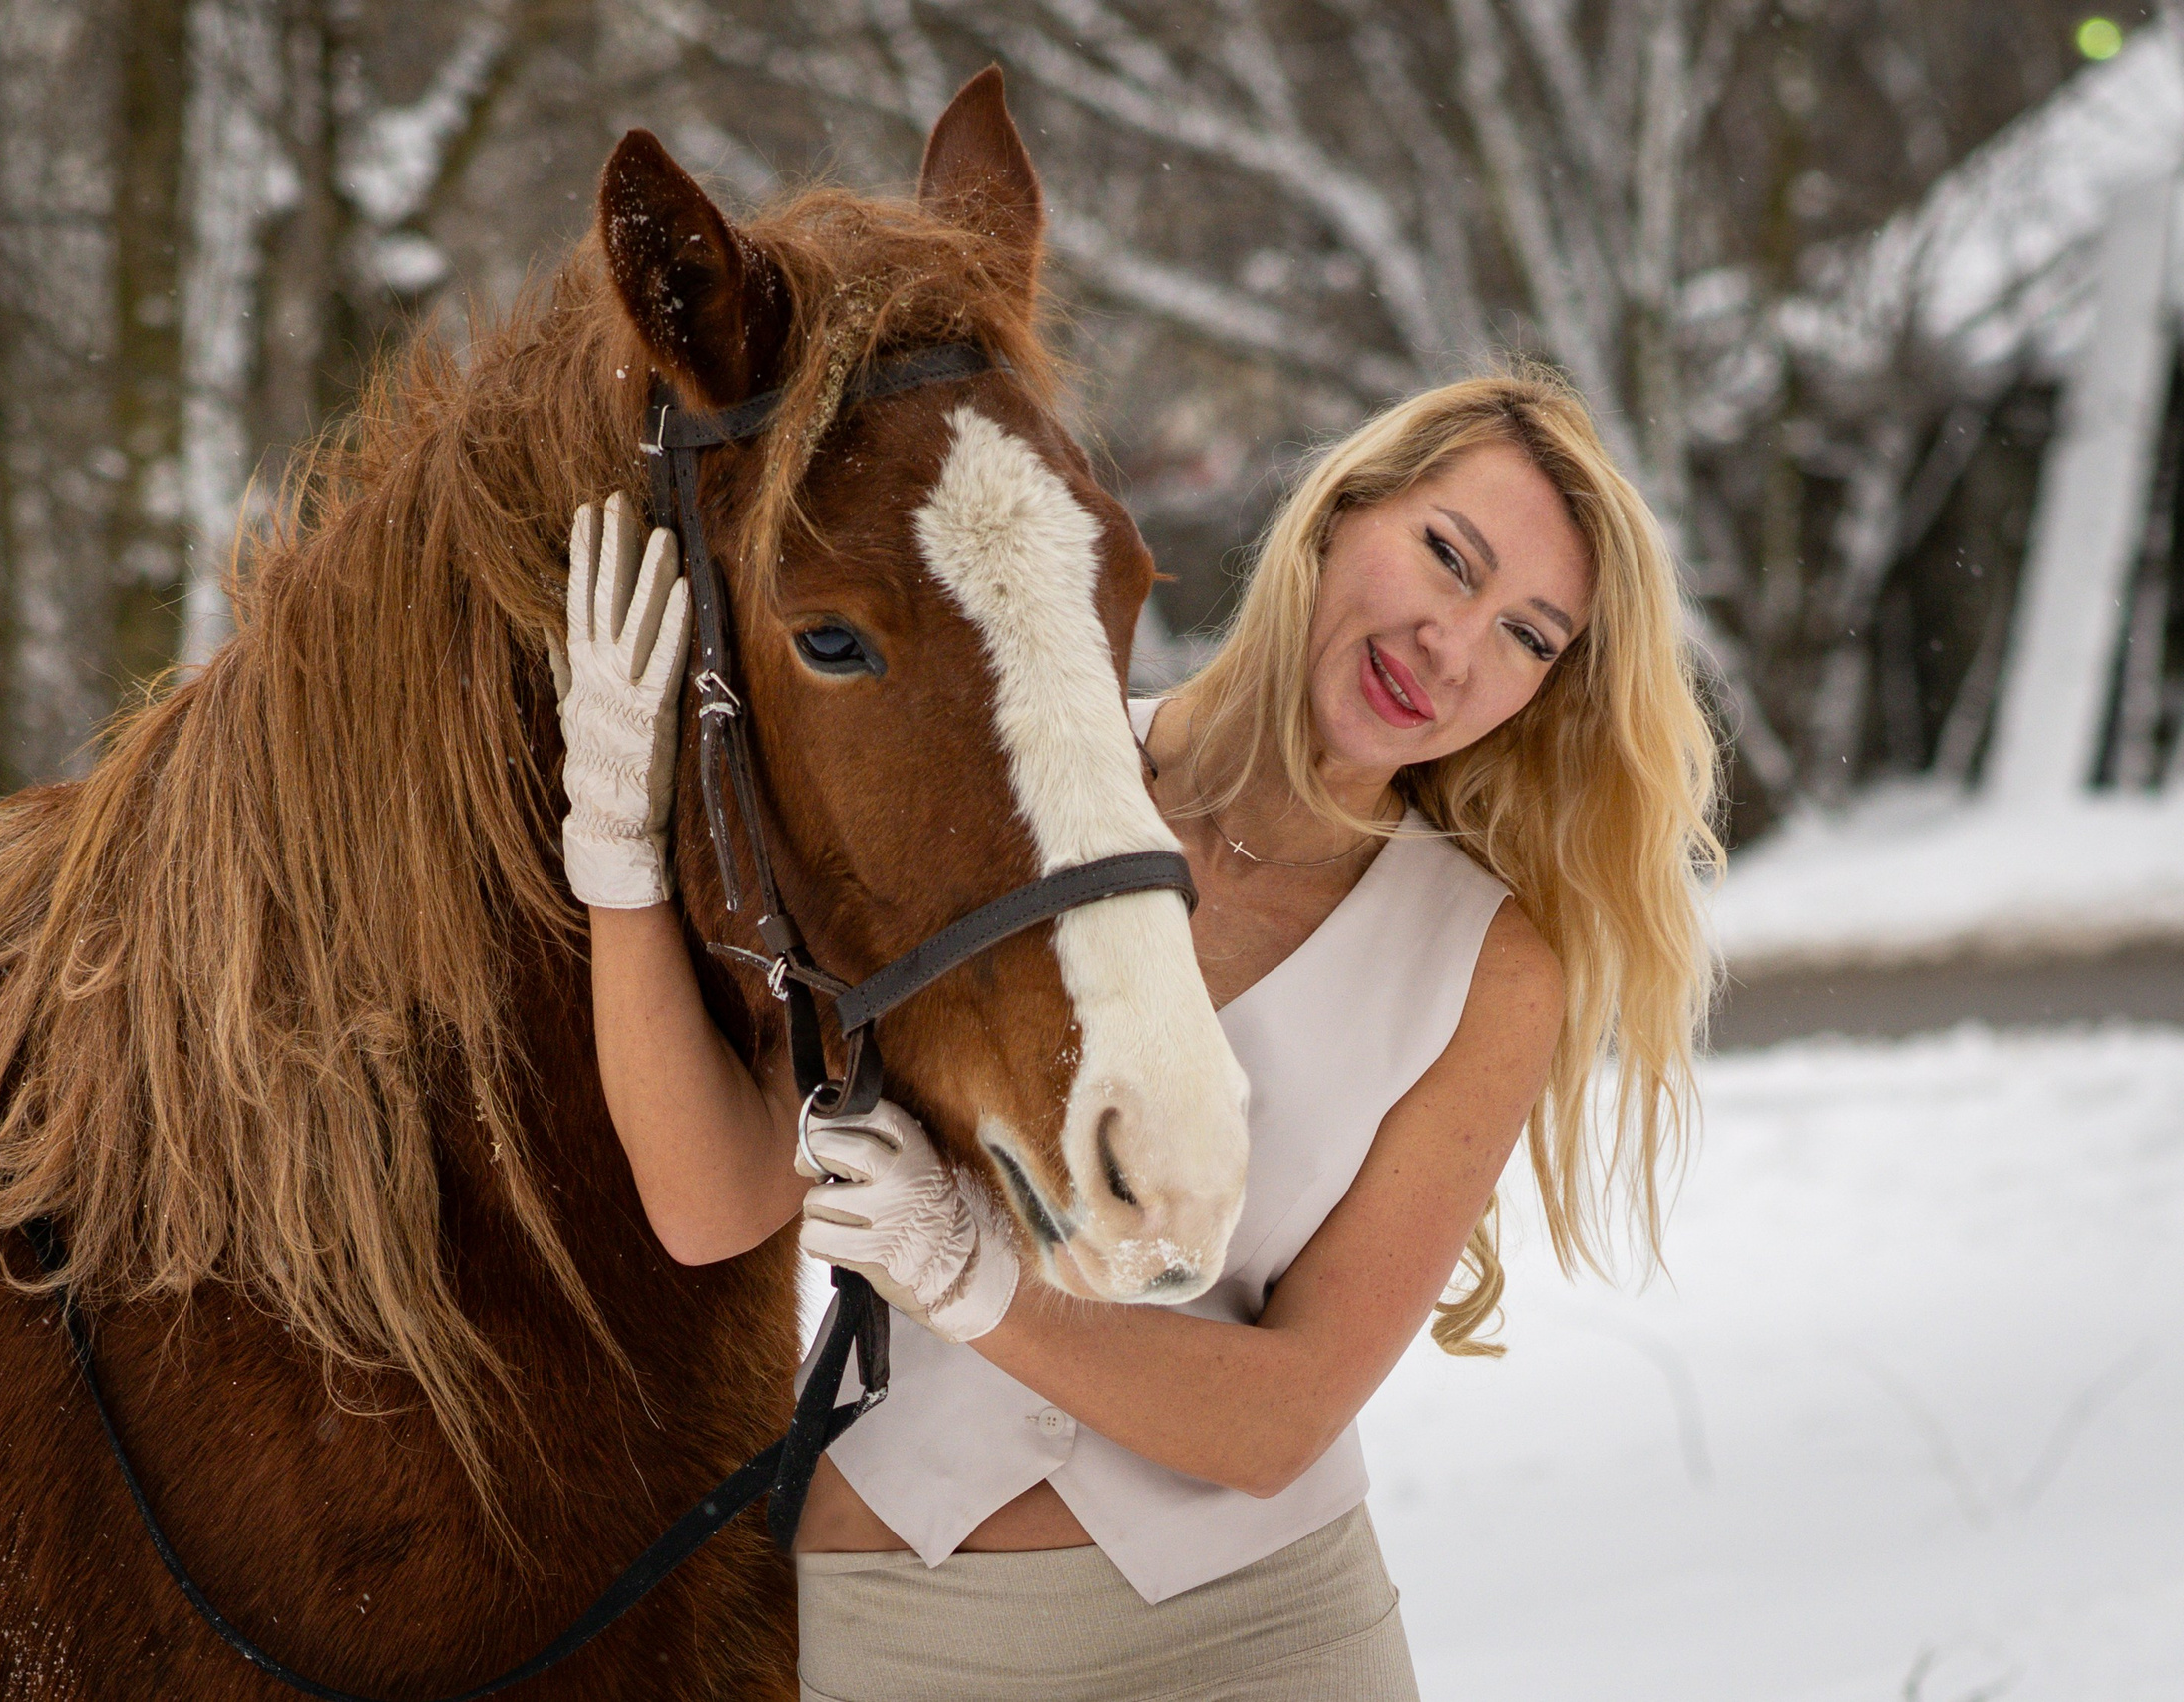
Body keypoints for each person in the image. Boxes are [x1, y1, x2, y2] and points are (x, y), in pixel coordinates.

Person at [556, 369, 1720, 1701]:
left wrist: (974, 1280)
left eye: (1526, 634)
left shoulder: (1488, 963)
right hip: (906, 1633)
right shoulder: (992, 785)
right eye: (1446, 557)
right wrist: (617, 848)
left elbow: (1284, 1417)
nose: (1453, 644)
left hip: (1263, 1642)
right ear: (1343, 516)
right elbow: (714, 1201)